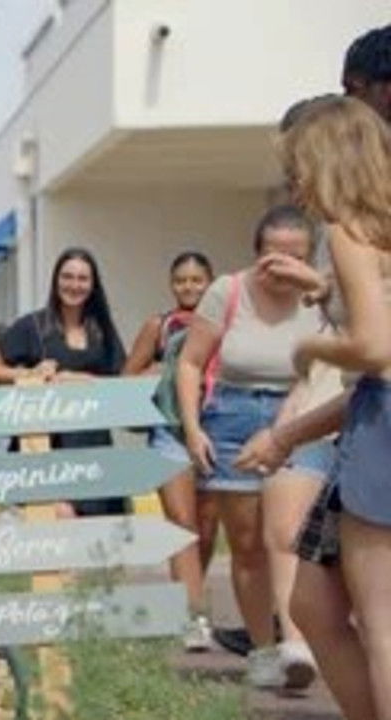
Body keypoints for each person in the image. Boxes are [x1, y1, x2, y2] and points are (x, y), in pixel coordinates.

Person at [241, 93, 391, 720]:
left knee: (381, 623)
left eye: (297, 166)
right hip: (369, 419)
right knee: (311, 602)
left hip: (379, 432)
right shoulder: (376, 232)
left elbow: (375, 349)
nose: (294, 185)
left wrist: (308, 349)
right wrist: (324, 288)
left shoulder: (347, 231)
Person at [174, 205, 326, 689]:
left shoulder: (322, 296)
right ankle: (263, 649)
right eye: (273, 255)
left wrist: (318, 286)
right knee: (246, 545)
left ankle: (296, 644)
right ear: (256, 252)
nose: (282, 266)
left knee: (288, 533)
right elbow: (190, 363)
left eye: (295, 256)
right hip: (233, 416)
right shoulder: (228, 291)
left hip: (302, 412)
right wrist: (193, 428)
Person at [0, 247, 128, 517]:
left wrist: (82, 379)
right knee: (57, 525)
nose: (74, 285)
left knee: (95, 535)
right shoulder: (33, 326)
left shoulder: (102, 330)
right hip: (43, 446)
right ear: (56, 280)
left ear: (93, 285)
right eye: (67, 277)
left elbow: (120, 381)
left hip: (93, 448)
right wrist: (29, 375)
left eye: (82, 278)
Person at [122, 251, 220, 651]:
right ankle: (196, 617)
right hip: (168, 431)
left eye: (197, 280)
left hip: (215, 430)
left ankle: (186, 599)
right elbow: (128, 376)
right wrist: (160, 373)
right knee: (181, 524)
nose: (189, 287)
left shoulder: (223, 322)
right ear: (171, 284)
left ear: (210, 283)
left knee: (207, 527)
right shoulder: (158, 326)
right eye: (181, 280)